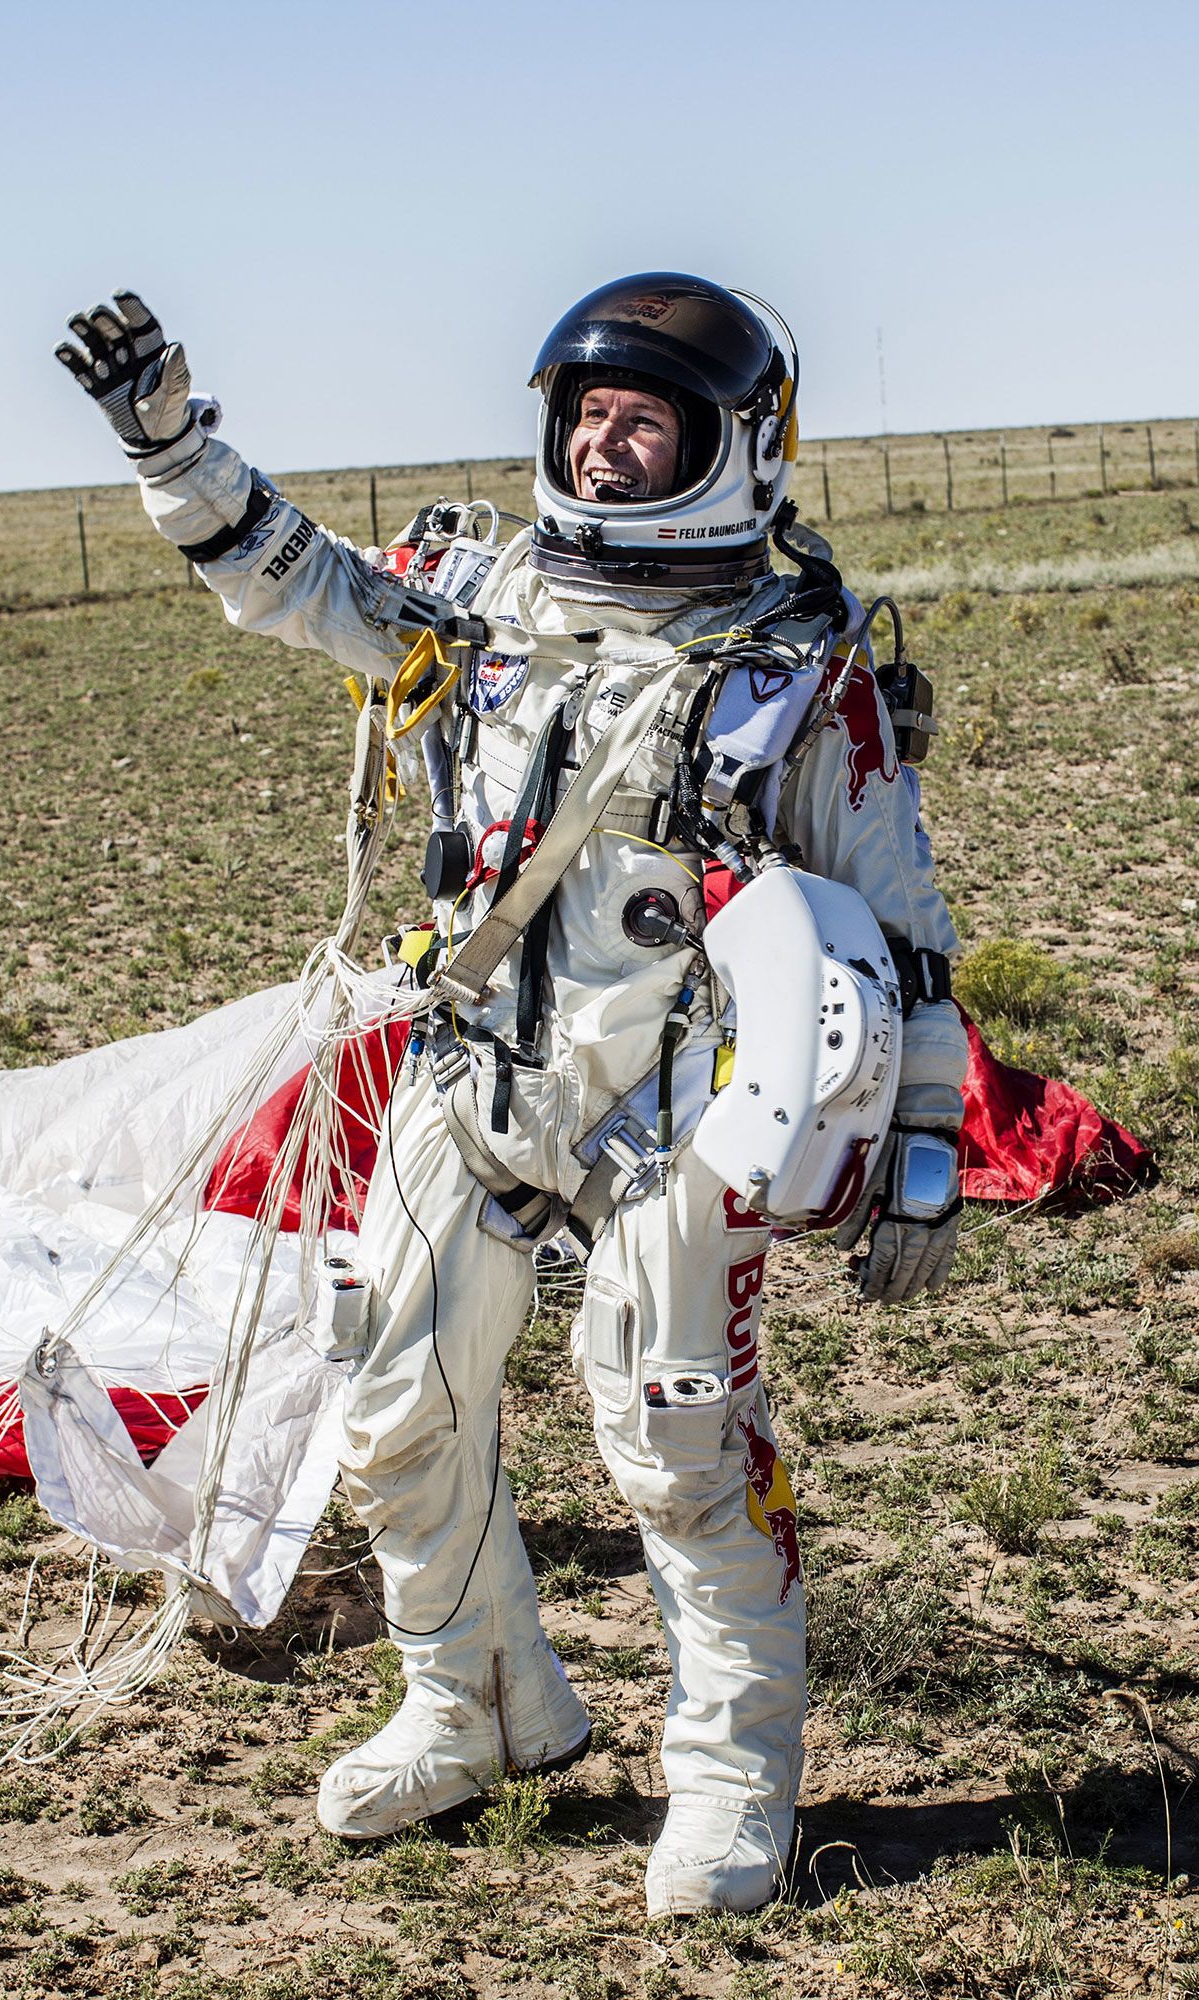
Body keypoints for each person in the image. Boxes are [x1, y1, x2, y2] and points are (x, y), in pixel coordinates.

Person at [55, 275, 968, 1916]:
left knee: (675, 1438)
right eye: (589, 420)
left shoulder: (789, 665)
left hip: (679, 1105)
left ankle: (731, 1777)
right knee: (393, 1397)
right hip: (478, 1064)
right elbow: (291, 582)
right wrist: (174, 448)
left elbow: (897, 915)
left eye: (647, 426)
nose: (609, 452)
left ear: (733, 450)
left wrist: (921, 1138)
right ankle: (472, 1704)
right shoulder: (478, 604)